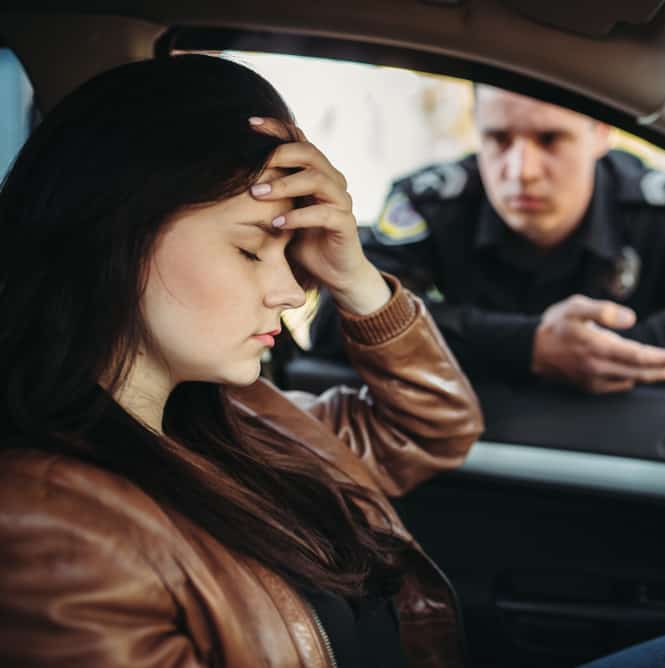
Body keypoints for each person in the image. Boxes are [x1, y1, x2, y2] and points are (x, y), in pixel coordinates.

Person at [0, 54, 484, 667]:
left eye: (291, 251)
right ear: (112, 236)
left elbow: (434, 428)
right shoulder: (50, 527)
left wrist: (353, 275)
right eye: (252, 249)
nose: (290, 292)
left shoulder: (235, 417)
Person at [309, 85, 665, 394]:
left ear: (601, 133)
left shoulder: (663, 207)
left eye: (550, 139)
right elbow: (335, 321)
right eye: (498, 139)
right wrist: (528, 345)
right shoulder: (432, 201)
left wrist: (585, 348)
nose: (521, 171)